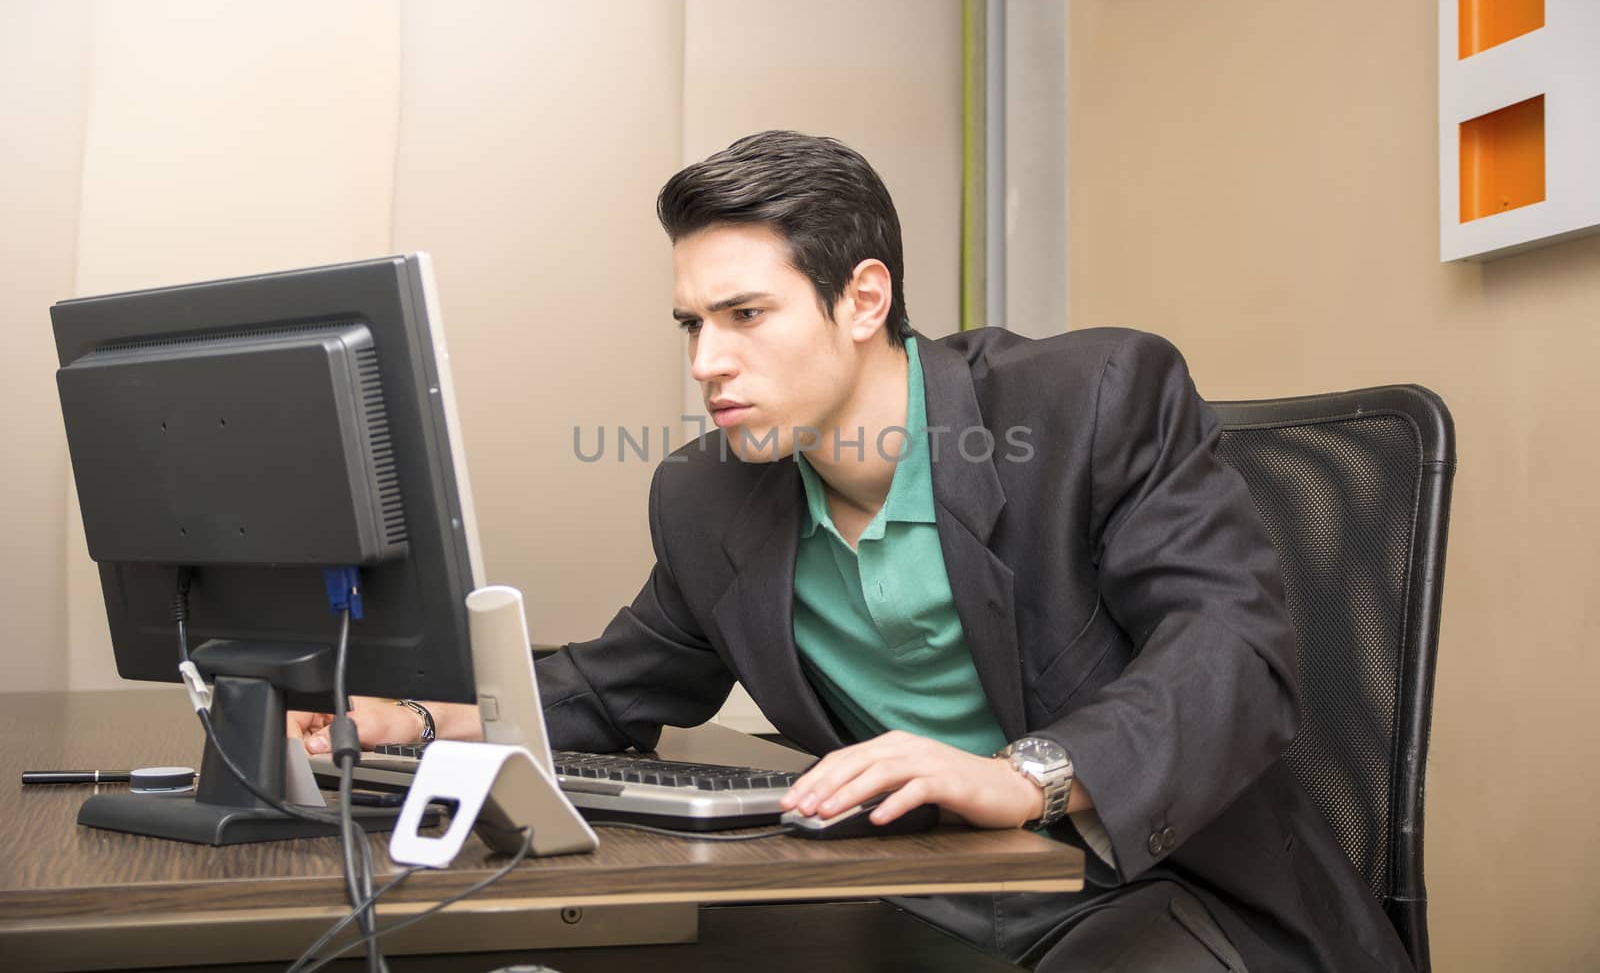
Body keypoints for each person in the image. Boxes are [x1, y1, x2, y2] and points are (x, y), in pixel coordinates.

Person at [296, 131, 1414, 972]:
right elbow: (606, 690)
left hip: (1153, 890)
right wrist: (417, 719)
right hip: (918, 894)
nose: (705, 362)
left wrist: (1018, 773)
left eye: (744, 314)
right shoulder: (708, 495)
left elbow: (1231, 652)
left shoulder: (1092, 402)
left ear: (862, 297)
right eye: (691, 324)